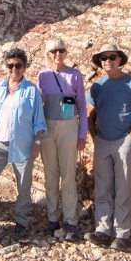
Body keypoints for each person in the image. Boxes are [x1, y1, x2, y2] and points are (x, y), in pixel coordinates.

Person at [0, 48, 46, 239]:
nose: (14, 69)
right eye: (11, 65)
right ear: (6, 66)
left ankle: (21, 222)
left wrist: (36, 143)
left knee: (23, 186)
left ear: (24, 67)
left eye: (18, 65)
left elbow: (39, 121)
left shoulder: (31, 91)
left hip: (23, 144)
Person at [84, 44, 131, 253]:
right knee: (102, 187)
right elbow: (90, 114)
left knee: (122, 188)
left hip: (123, 142)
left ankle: (122, 234)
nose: (107, 60)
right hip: (102, 142)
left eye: (112, 57)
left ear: (120, 59)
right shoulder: (97, 86)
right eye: (103, 58)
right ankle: (102, 231)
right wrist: (95, 138)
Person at [36, 38, 87, 242]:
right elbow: (39, 104)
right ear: (47, 54)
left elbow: (82, 106)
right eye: (53, 51)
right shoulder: (43, 75)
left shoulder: (75, 75)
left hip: (69, 128)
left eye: (61, 50)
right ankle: (52, 219)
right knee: (50, 176)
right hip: (48, 128)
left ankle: (71, 221)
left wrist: (82, 134)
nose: (57, 54)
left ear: (66, 53)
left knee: (67, 176)